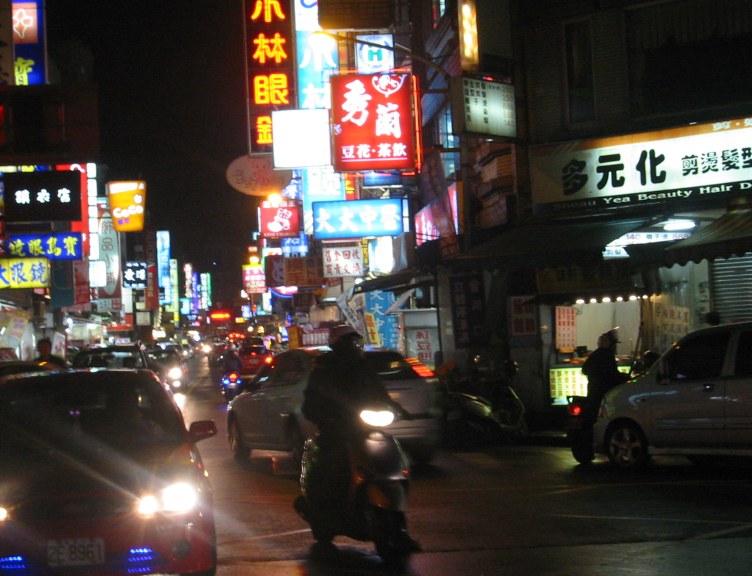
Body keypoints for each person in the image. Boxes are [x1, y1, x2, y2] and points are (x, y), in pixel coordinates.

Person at [300, 324, 420, 551]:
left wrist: (396, 408)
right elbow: (311, 402)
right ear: (338, 344)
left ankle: (401, 530)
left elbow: (377, 390)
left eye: (355, 341)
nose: (354, 346)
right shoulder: (325, 367)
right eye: (349, 342)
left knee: (393, 456)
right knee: (330, 466)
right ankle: (323, 512)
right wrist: (327, 416)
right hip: (336, 429)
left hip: (363, 427)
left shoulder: (362, 365)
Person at [581, 329, 629, 404]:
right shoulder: (607, 355)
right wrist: (624, 377)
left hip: (594, 390)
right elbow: (612, 374)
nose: (614, 346)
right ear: (607, 343)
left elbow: (585, 370)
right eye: (613, 344)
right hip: (604, 392)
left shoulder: (594, 354)